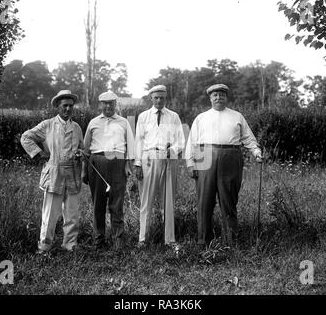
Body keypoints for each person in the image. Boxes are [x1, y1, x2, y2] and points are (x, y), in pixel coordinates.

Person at [185, 84, 263, 249]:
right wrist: (190, 163)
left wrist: (256, 152)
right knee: (204, 201)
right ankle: (203, 242)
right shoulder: (201, 117)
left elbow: (248, 138)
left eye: (221, 95)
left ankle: (230, 242)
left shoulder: (237, 116)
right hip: (204, 155)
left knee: (229, 201)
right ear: (210, 98)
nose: (218, 98)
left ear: (226, 97)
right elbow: (191, 141)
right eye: (215, 95)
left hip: (231, 157)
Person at [21, 90, 84, 254]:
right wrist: (39, 153)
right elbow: (26, 137)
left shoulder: (76, 127)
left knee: (72, 215)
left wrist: (80, 154)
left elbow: (82, 148)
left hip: (73, 175)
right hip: (54, 174)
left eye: (71, 106)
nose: (68, 109)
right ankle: (44, 247)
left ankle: (70, 246)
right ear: (58, 106)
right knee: (50, 215)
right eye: (65, 106)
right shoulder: (47, 125)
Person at [82, 91, 135, 251]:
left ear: (115, 104)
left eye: (111, 103)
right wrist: (85, 170)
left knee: (116, 204)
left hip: (118, 164)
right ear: (100, 105)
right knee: (98, 204)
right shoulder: (93, 122)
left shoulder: (124, 122)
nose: (108, 106)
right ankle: (99, 239)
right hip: (97, 164)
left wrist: (127, 166)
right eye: (105, 103)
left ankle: (118, 240)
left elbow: (130, 147)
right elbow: (86, 149)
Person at [134, 85, 185, 248]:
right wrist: (138, 164)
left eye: (162, 98)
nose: (159, 100)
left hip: (168, 159)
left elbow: (181, 140)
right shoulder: (143, 116)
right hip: (149, 158)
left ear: (166, 98)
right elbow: (138, 141)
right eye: (156, 97)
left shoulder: (174, 116)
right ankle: (143, 239)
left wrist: (174, 150)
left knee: (168, 200)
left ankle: (169, 239)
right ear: (151, 98)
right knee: (146, 201)